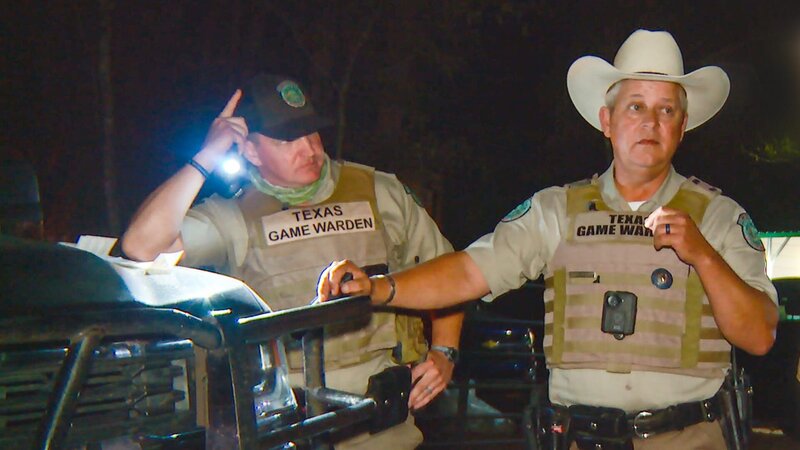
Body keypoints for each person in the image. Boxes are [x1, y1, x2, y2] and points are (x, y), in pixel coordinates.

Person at [318, 30, 779, 449]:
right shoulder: (556, 210)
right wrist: (379, 287)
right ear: (607, 120)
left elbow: (759, 336)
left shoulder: (720, 217)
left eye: (667, 110)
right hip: (578, 439)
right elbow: (467, 271)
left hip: (688, 439)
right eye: (636, 105)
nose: (651, 122)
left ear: (682, 126)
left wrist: (703, 256)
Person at [121, 73, 462, 449]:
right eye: (288, 139)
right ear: (250, 151)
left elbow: (451, 272)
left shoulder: (381, 192)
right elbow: (140, 246)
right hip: (288, 425)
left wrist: (444, 352)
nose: (310, 148)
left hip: (382, 421)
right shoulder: (233, 217)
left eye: (312, 133)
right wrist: (207, 156)